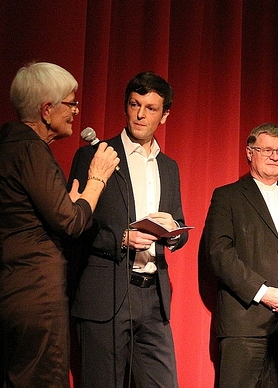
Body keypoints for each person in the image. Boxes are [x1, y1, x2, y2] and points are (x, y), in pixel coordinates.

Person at [0, 62, 119, 387]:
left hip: (11, 288)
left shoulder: (6, 148)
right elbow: (71, 223)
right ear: (46, 109)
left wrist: (70, 202)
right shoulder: (30, 150)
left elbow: (36, 217)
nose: (75, 111)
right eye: (70, 103)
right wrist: (96, 179)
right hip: (34, 294)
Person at [67, 71, 188, 388]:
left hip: (153, 297)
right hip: (107, 292)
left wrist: (174, 231)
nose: (140, 114)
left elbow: (179, 224)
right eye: (135, 104)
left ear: (164, 115)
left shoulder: (168, 166)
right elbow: (74, 223)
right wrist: (122, 238)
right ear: (125, 106)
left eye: (150, 108)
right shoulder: (96, 155)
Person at [202, 123, 278, 388]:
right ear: (249, 152)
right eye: (267, 149)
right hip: (245, 324)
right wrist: (262, 292)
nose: (274, 156)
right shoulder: (228, 197)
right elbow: (219, 253)